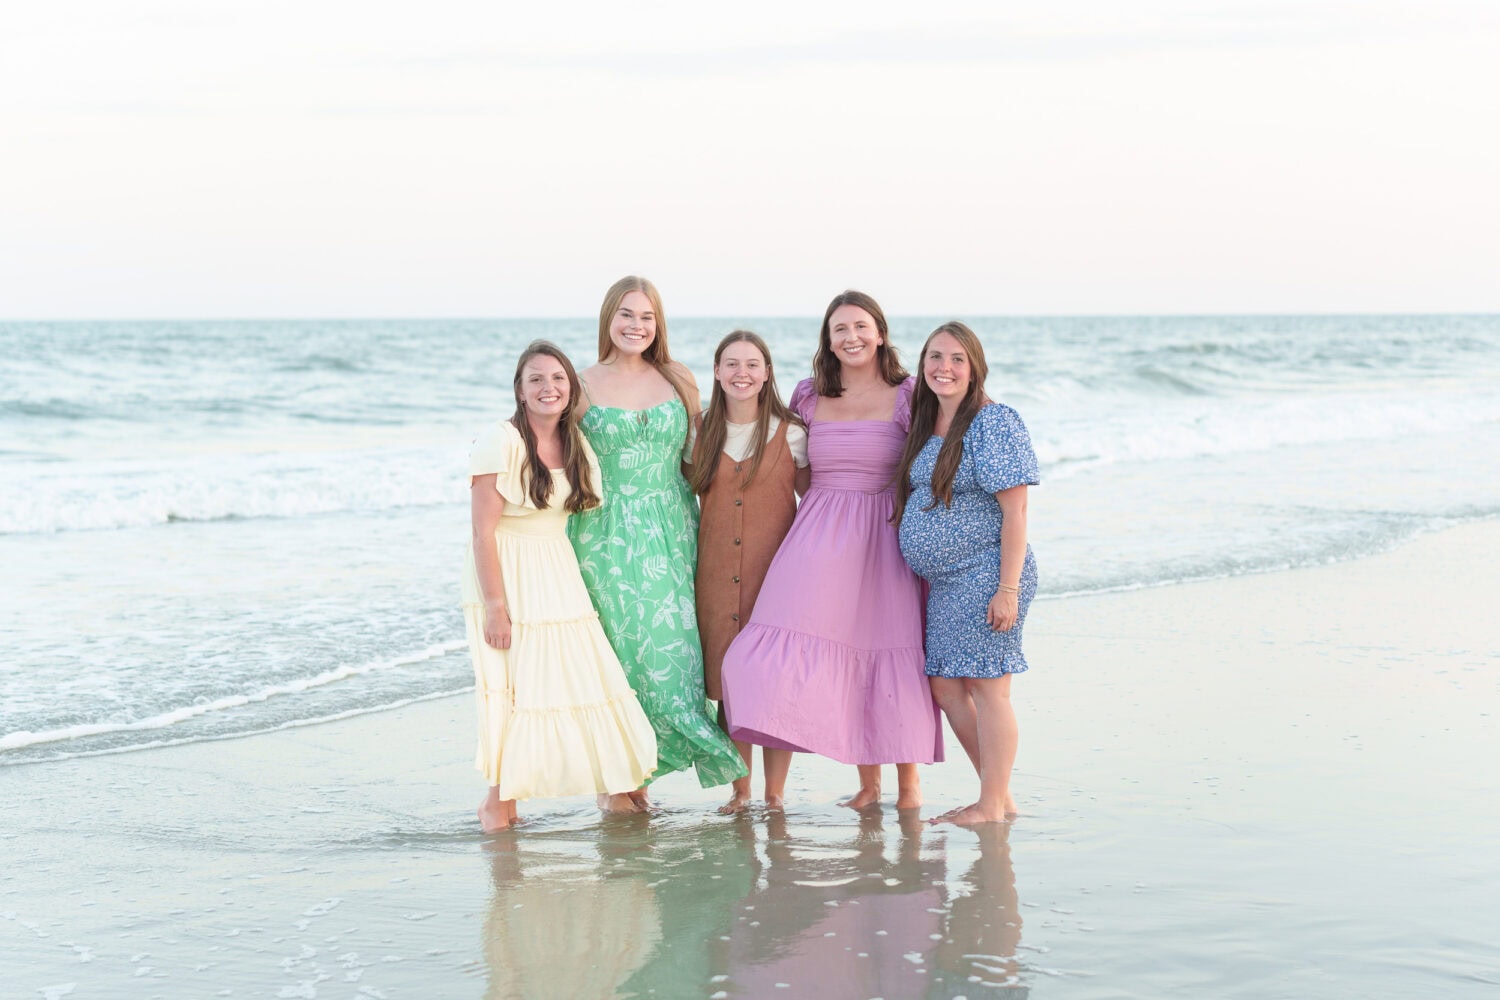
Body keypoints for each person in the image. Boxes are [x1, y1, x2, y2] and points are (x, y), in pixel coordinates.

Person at [721, 291, 941, 810]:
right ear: (828, 339)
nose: (852, 337)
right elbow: (780, 458)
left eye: (861, 326)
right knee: (757, 658)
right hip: (817, 534)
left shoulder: (909, 394)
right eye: (839, 329)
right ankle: (787, 789)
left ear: (880, 332)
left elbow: (941, 453)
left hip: (886, 532)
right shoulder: (808, 395)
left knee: (885, 651)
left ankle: (903, 789)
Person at [463, 340, 658, 833]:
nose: (548, 388)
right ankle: (498, 803)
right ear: (520, 390)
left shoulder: (575, 442)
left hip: (557, 567)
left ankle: (615, 785)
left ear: (571, 389)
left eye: (557, 379)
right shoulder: (500, 441)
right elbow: (482, 532)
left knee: (584, 674)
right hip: (507, 572)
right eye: (536, 379)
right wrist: (495, 607)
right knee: (514, 687)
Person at [568, 276, 747, 804]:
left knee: (674, 653)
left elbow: (701, 455)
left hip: (673, 528)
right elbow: (555, 459)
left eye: (646, 318)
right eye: (626, 315)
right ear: (608, 318)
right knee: (624, 657)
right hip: (605, 536)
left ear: (658, 325)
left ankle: (641, 774)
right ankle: (622, 787)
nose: (636, 326)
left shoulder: (679, 378)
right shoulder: (580, 384)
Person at [894, 321, 1040, 826]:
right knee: (946, 687)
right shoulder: (928, 421)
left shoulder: (993, 422)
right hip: (948, 582)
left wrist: (1008, 589)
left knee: (988, 688)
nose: (944, 368)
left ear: (975, 365)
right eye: (935, 357)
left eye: (957, 358)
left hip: (987, 572)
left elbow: (1016, 512)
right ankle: (997, 794)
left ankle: (992, 804)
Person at [688, 331, 810, 814]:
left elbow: (818, 499)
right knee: (730, 686)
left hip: (776, 576)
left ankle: (774, 796)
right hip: (714, 577)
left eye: (752, 364)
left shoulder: (792, 431)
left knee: (773, 686)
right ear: (716, 372)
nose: (742, 373)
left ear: (767, 373)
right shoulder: (697, 430)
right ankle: (740, 792)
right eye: (731, 364)